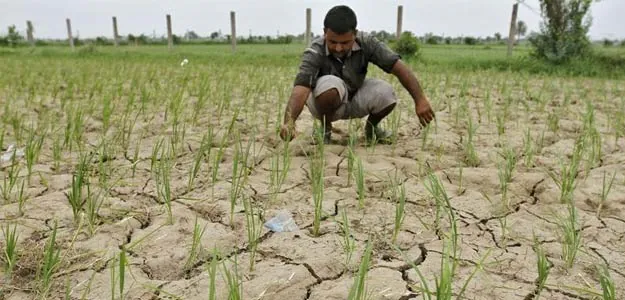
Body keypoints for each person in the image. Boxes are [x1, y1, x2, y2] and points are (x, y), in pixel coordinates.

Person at [280, 5, 434, 144]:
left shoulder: (367, 42)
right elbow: (301, 88)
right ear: (325, 32)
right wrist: (289, 122)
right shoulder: (315, 50)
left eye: (345, 43)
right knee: (331, 85)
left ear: (355, 33)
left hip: (354, 96)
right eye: (333, 42)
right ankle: (325, 129)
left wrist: (420, 100)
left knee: (386, 93)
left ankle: (372, 129)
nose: (338, 48)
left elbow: (399, 68)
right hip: (325, 101)